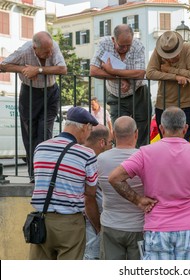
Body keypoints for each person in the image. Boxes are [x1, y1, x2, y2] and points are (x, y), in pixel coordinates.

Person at [108, 106, 190, 260]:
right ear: (185, 129)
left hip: (157, 226)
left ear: (162, 128)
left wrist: (138, 200)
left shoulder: (145, 153)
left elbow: (114, 177)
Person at [29, 106, 99, 260]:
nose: (89, 135)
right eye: (90, 130)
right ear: (85, 127)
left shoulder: (40, 148)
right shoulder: (87, 154)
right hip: (70, 224)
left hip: (41, 221)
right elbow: (90, 194)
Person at [0, 31, 67, 181]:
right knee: (30, 135)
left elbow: (62, 69)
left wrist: (38, 70)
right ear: (35, 48)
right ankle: (34, 174)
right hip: (29, 93)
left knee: (45, 134)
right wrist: (24, 69)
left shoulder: (53, 47)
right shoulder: (24, 51)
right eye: (45, 51)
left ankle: (46, 173)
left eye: (50, 50)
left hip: (51, 93)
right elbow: (3, 66)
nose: (49, 53)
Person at [90, 24, 151, 147]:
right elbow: (93, 70)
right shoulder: (104, 43)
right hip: (115, 94)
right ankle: (121, 161)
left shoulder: (138, 45)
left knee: (142, 128)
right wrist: (120, 79)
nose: (126, 48)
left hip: (138, 91)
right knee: (119, 129)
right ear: (113, 39)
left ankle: (141, 157)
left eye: (128, 45)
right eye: (122, 45)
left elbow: (140, 73)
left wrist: (113, 71)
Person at [97, 116, 145, 260]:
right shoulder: (144, 157)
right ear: (136, 134)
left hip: (111, 225)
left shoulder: (101, 159)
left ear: (113, 134)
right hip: (139, 227)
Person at [146, 31, 190, 141]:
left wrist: (169, 69)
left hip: (185, 106)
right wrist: (175, 77)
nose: (170, 58)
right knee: (165, 142)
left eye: (173, 54)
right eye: (167, 56)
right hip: (163, 106)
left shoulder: (187, 48)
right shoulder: (159, 49)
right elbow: (150, 73)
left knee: (183, 143)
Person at [83, 124, 112, 260]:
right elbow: (88, 199)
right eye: (111, 142)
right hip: (92, 224)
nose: (111, 146)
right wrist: (98, 227)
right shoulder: (93, 161)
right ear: (102, 142)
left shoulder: (79, 156)